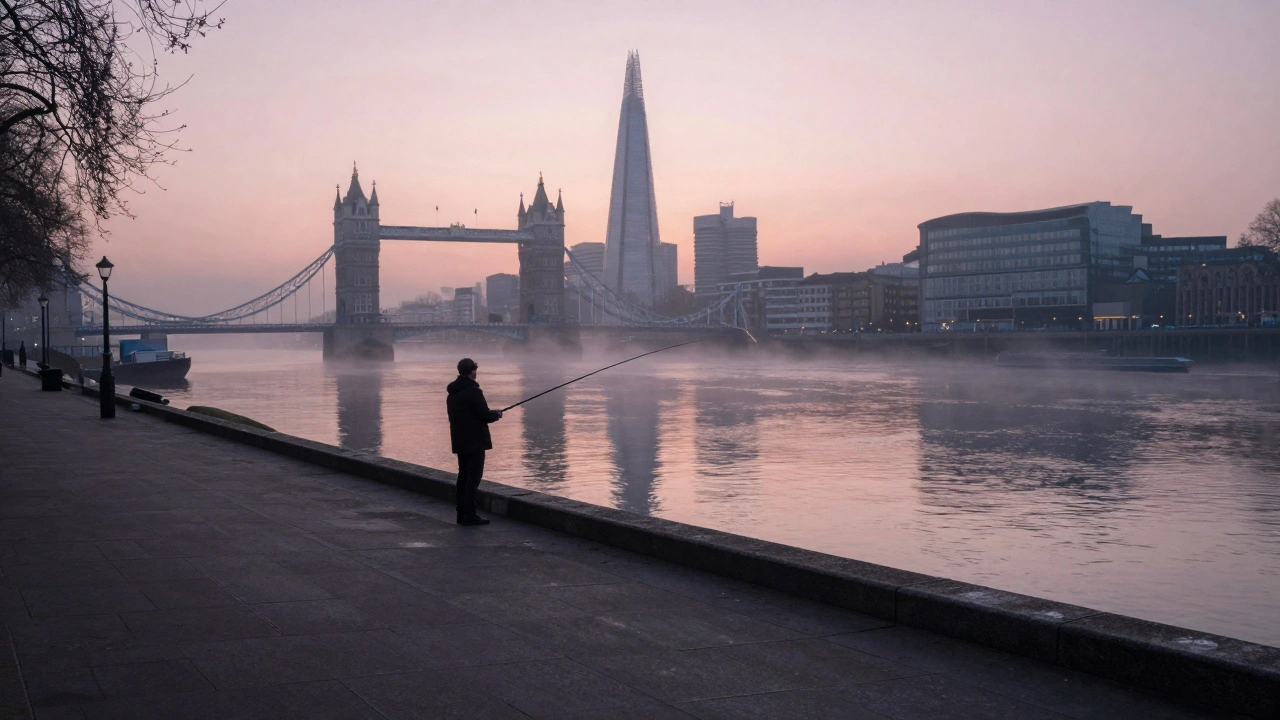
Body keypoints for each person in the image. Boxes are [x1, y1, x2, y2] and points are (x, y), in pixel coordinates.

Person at [446, 357, 502, 525]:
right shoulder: (473, 391)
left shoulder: (452, 393)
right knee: (473, 479)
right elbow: (484, 415)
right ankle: (470, 515)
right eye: (475, 370)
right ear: (472, 371)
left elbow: (465, 415)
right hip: (475, 441)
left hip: (459, 440)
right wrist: (496, 414)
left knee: (462, 477)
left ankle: (461, 514)